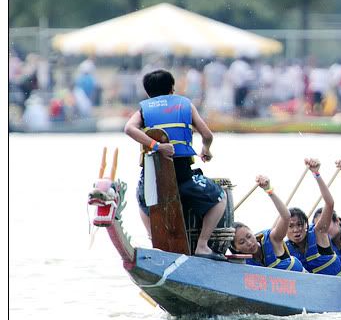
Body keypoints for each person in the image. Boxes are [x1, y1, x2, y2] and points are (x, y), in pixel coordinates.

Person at [124, 69, 227, 256]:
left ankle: (155, 242)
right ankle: (202, 245)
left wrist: (156, 146)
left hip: (153, 183)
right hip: (183, 178)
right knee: (220, 198)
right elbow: (207, 135)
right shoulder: (185, 104)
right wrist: (206, 149)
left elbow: (129, 128)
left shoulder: (143, 109)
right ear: (172, 88)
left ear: (148, 93)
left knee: (141, 201)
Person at [228, 175, 305, 272]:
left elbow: (286, 216)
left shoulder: (273, 239)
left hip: (304, 283)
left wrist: (269, 190)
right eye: (242, 242)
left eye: (249, 236)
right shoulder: (238, 265)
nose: (249, 243)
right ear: (236, 248)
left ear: (253, 233)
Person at [284, 158, 341, 276]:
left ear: (306, 225)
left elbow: (329, 203)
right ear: (284, 230)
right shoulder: (283, 247)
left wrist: (316, 174)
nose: (296, 230)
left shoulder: (319, 232)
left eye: (300, 225)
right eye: (290, 226)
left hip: (339, 288)